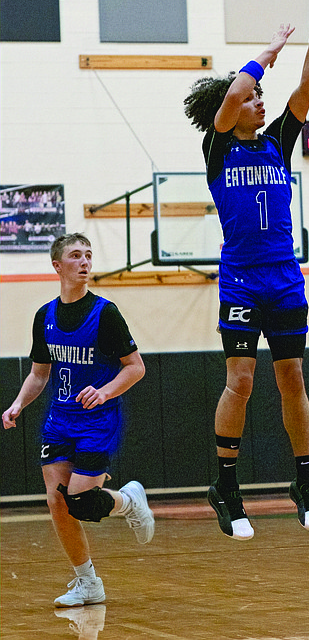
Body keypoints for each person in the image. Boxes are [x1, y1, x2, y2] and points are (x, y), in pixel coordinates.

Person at [184, 10, 309, 540]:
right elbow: (234, 95)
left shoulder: (277, 142)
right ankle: (226, 486)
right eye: (252, 98)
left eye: (258, 98)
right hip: (242, 279)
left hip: (285, 278)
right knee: (242, 381)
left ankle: (306, 481)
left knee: (291, 377)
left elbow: (308, 86)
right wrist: (271, 46)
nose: (258, 101)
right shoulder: (219, 145)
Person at [2, 233, 154, 607]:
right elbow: (40, 373)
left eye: (88, 255)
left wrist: (104, 391)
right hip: (59, 419)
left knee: (82, 501)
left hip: (98, 419)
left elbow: (136, 368)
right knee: (57, 501)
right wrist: (18, 403)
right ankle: (88, 583)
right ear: (58, 265)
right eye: (75, 256)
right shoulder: (45, 316)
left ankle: (129, 501)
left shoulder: (106, 313)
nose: (84, 262)